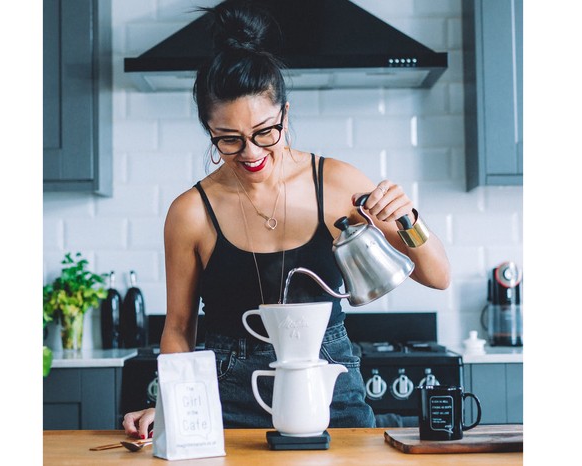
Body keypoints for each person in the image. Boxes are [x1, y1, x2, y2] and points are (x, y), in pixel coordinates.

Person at [123, 0, 450, 439]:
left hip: (333, 392)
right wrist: (171, 404)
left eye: (264, 133)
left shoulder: (335, 183)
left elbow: (438, 276)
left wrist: (408, 218)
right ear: (209, 131)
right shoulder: (190, 213)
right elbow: (180, 328)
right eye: (229, 140)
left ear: (285, 115)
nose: (252, 153)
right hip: (228, 400)